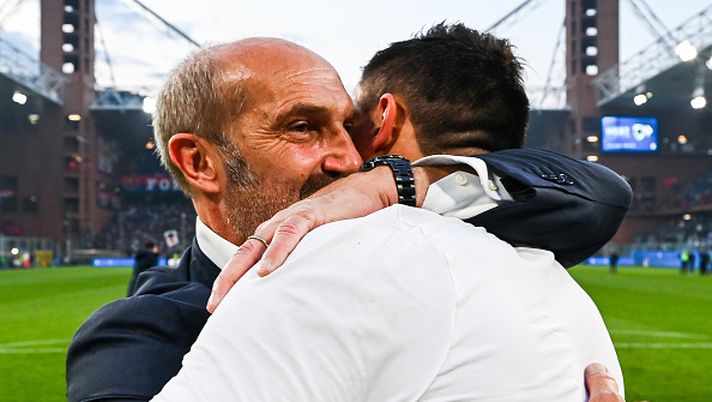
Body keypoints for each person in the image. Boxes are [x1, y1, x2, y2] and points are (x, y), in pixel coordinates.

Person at [67, 31, 629, 401]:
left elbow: (598, 194)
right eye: (304, 128)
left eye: (348, 128)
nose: (351, 160)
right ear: (200, 162)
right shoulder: (143, 331)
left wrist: (403, 180)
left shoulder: (419, 241)